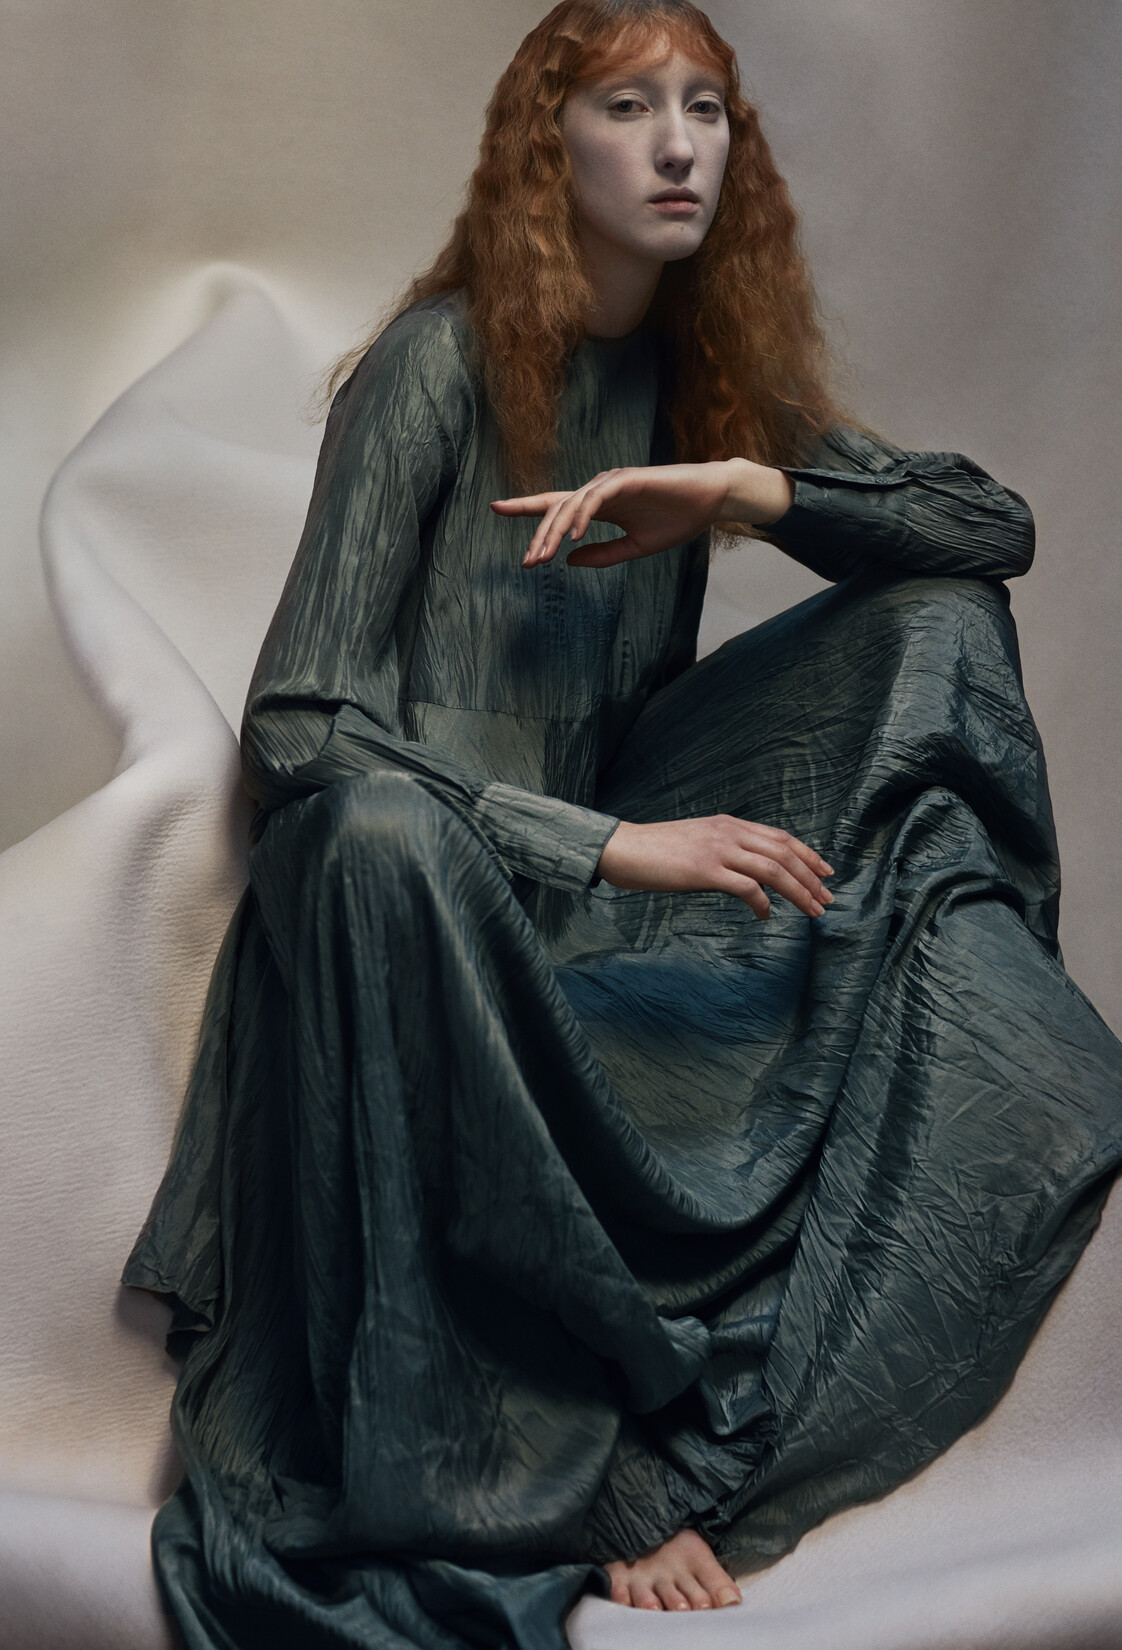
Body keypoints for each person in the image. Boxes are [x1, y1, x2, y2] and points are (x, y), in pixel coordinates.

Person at [123, 1, 1122, 1645]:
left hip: (601, 839)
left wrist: (738, 488)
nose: (675, 146)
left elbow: (984, 528)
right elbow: (299, 720)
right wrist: (604, 848)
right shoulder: (435, 363)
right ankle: (568, 1453)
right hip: (405, 873)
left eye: (705, 108)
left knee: (933, 615)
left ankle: (933, 982)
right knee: (379, 835)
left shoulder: (691, 378)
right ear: (548, 145)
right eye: (625, 106)